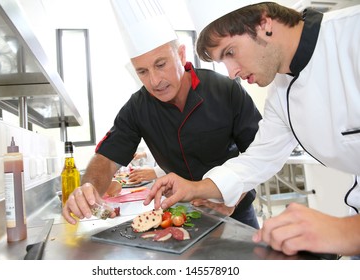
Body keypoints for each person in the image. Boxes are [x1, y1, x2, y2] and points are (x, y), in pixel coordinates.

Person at [144, 1, 360, 257]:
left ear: (264, 23)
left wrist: (342, 232)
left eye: (230, 52)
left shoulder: (352, 35)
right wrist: (195, 188)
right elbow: (258, 159)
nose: (232, 72)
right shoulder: (280, 93)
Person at [62, 0, 262, 229]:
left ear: (181, 54)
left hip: (235, 209)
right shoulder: (137, 107)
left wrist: (233, 198)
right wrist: (88, 188)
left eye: (160, 64)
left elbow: (257, 154)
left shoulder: (225, 90)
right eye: (142, 71)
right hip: (180, 214)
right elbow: (106, 159)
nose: (154, 81)